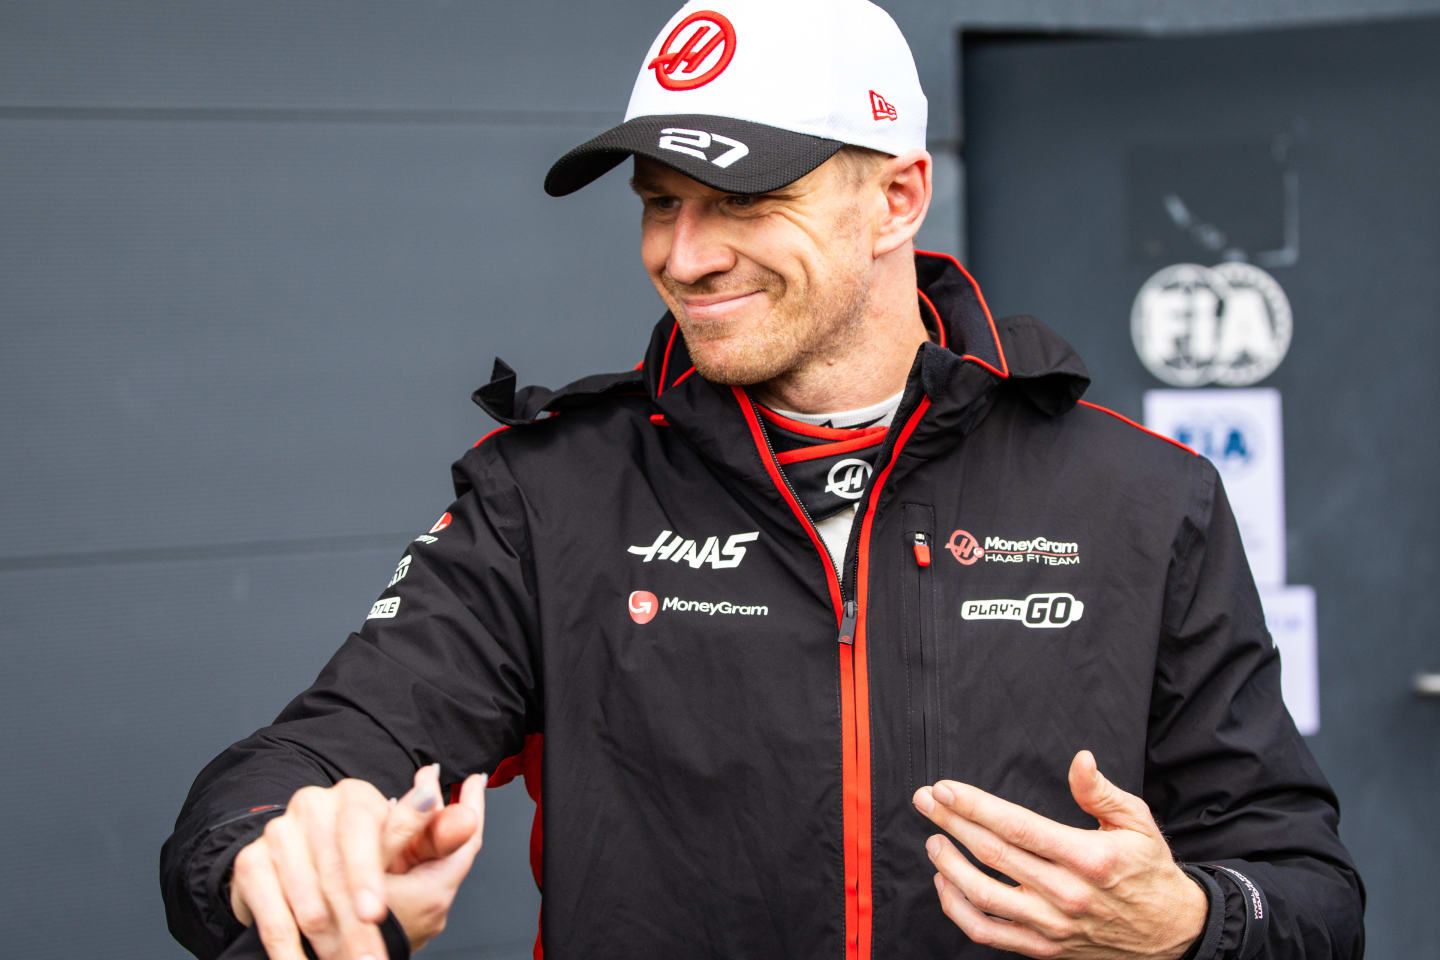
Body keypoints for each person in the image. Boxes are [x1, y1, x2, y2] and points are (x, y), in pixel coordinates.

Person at [160, 1, 1364, 958]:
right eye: (661, 204)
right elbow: (305, 760)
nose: (684, 256)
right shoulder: (550, 496)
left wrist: (1192, 926)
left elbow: (1307, 890)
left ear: (895, 195)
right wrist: (273, 853)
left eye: (743, 199)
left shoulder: (1141, 498)